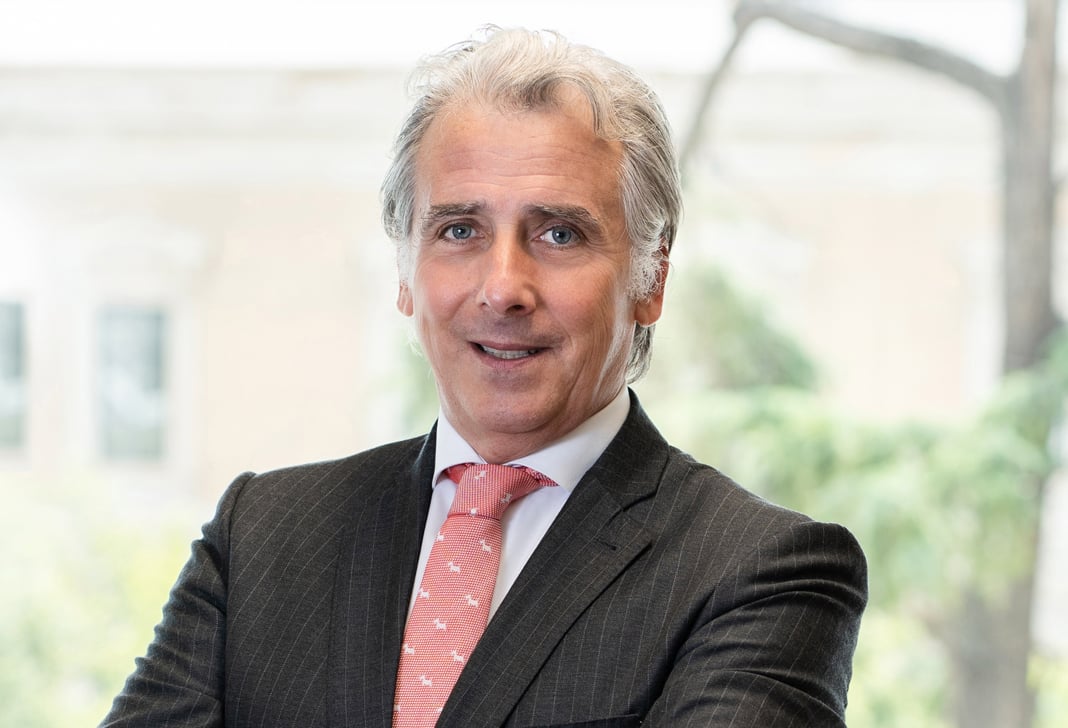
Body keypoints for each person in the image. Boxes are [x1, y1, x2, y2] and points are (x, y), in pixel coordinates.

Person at [101, 27, 866, 728]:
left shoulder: (762, 573)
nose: (503, 288)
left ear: (651, 278)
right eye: (460, 230)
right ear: (406, 270)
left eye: (559, 233)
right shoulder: (261, 537)